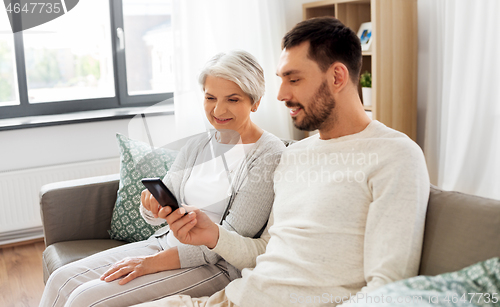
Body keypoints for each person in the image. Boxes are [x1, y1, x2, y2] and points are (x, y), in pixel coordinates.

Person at [131, 17, 430, 307]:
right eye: (281, 79)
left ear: (337, 77)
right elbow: (264, 250)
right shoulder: (295, 155)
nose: (281, 94)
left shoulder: (394, 156)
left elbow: (388, 288)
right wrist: (214, 235)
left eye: (294, 79)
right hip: (233, 298)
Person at [39, 50, 285, 307]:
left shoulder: (268, 153)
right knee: (62, 279)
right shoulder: (198, 145)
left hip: (214, 266)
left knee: (84, 299)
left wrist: (150, 264)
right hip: (163, 245)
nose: (218, 109)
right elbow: (160, 214)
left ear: (254, 102)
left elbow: (229, 240)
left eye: (232, 100)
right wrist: (151, 207)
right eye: (210, 97)